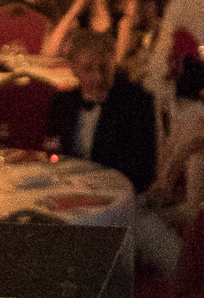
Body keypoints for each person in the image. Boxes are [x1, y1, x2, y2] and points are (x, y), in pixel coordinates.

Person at [137, 51, 204, 274]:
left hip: (193, 221)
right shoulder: (182, 114)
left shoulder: (199, 133)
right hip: (179, 202)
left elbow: (195, 206)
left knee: (133, 220)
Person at [45, 29, 158, 190]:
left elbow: (143, 168)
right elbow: (51, 146)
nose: (98, 77)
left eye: (104, 68)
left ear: (114, 65)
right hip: (67, 187)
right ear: (74, 70)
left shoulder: (136, 102)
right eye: (88, 69)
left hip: (116, 190)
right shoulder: (62, 102)